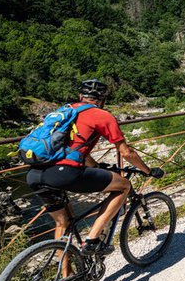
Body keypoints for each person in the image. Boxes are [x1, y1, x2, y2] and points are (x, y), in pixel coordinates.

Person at [26, 79, 163, 256]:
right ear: (103, 100)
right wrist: (148, 171)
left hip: (35, 173)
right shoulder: (102, 115)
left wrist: (97, 166)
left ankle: (65, 280)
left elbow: (75, 150)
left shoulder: (66, 111)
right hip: (64, 174)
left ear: (80, 96)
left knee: (63, 224)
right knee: (123, 186)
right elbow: (126, 152)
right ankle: (92, 240)